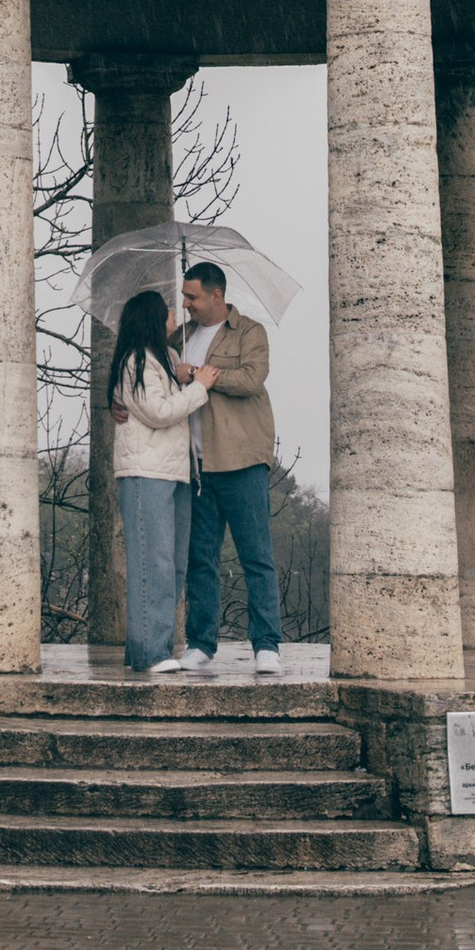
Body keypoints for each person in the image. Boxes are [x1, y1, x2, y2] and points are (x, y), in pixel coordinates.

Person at [175, 260, 286, 678]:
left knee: (256, 555)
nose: (186, 304)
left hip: (241, 459)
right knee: (199, 558)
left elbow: (251, 380)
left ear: (216, 296)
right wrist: (178, 370)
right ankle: (201, 643)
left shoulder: (250, 332)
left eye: (192, 297)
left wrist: (202, 376)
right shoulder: (180, 338)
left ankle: (266, 645)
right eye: (184, 297)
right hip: (196, 464)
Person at [106, 287, 209, 680]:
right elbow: (159, 412)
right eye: (167, 310)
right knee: (153, 564)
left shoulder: (165, 357)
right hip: (145, 472)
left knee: (174, 565)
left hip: (174, 472)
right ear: (151, 317)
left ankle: (144, 648)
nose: (174, 314)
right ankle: (151, 652)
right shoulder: (135, 361)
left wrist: (184, 376)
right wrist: (201, 388)